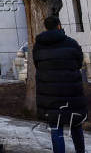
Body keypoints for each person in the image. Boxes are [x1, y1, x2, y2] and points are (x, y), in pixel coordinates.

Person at [33, 16, 87, 153]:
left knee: (56, 130)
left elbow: (37, 65)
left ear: (45, 27)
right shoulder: (71, 43)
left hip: (49, 95)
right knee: (76, 125)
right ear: (59, 26)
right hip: (71, 93)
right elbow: (79, 62)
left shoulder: (38, 46)